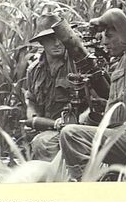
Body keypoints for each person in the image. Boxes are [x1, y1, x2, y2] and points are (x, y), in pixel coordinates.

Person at [59, 8, 126, 181]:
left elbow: (115, 14)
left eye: (110, 35)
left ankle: (86, 186)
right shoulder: (121, 65)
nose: (104, 42)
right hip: (121, 136)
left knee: (71, 134)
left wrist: (98, 22)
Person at [26, 13, 108, 161]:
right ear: (41, 42)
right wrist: (35, 119)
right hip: (50, 129)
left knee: (44, 143)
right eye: (50, 39)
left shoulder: (79, 62)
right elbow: (31, 103)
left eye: (59, 38)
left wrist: (78, 121)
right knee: (41, 143)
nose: (57, 43)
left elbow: (100, 100)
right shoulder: (34, 70)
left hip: (80, 128)